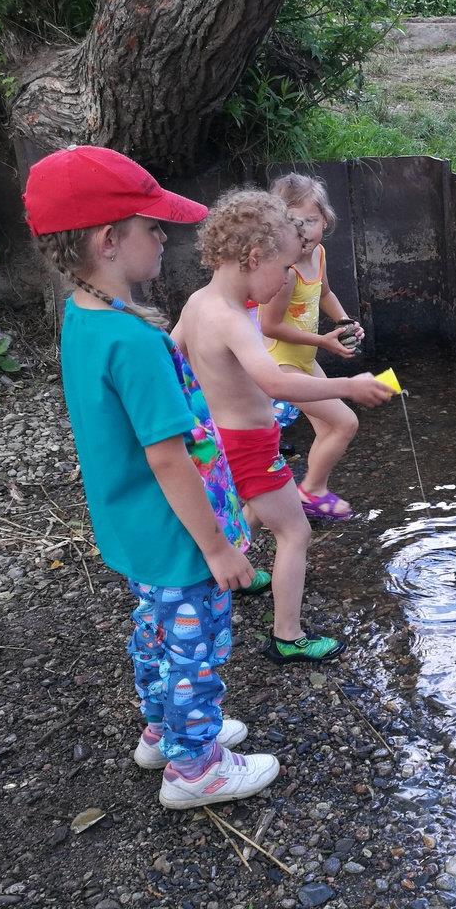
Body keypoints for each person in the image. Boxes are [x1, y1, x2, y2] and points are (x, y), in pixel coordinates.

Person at [23, 145, 279, 809]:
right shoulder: (134, 343)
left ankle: (164, 731)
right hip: (179, 537)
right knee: (195, 646)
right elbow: (168, 457)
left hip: (133, 527)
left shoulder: (84, 319)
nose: (164, 237)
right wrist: (217, 547)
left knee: (158, 631)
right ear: (109, 240)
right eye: (151, 226)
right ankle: (195, 768)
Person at [172, 190, 394, 665]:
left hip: (219, 441)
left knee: (251, 508)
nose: (283, 283)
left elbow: (172, 357)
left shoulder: (196, 303)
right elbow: (275, 382)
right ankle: (287, 637)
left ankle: (239, 571)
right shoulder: (234, 320)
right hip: (250, 445)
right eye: (284, 268)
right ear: (255, 258)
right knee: (295, 532)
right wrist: (349, 386)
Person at [261, 173, 366, 521]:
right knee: (345, 423)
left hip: (304, 360)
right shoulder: (286, 271)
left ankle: (291, 504)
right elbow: (268, 326)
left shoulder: (318, 254)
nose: (304, 230)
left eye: (311, 220)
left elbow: (325, 294)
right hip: (281, 363)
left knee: (327, 429)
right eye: (294, 222)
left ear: (325, 220)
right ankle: (310, 493)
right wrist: (323, 341)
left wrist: (344, 322)